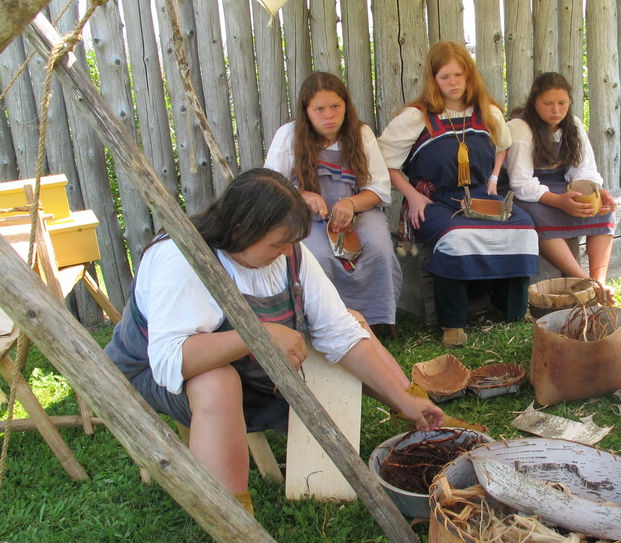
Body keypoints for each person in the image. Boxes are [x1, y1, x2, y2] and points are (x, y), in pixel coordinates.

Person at [104, 169, 444, 515]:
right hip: (160, 377)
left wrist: (401, 399)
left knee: (351, 322)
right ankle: (233, 516)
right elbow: (170, 360)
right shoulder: (180, 257)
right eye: (276, 243)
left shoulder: (290, 254)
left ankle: (412, 406)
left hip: (254, 375)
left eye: (289, 242)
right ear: (239, 231)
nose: (285, 253)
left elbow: (338, 331)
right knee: (216, 380)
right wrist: (258, 334)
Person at [378, 40, 539, 348]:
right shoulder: (417, 117)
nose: (453, 83)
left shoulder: (486, 112)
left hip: (481, 195)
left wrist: (493, 177)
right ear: (433, 79)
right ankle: (453, 321)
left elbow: (503, 145)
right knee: (456, 236)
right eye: (444, 76)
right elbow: (385, 163)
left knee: (524, 229)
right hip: (435, 200)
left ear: (469, 75)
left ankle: (511, 308)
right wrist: (412, 196)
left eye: (458, 75)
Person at [264, 72, 402, 335]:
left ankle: (377, 322)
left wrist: (351, 203)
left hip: (359, 211)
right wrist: (303, 196)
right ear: (306, 111)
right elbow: (271, 185)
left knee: (379, 250)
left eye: (335, 107)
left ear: (345, 106)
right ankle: (327, 324)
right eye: (319, 109)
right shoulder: (289, 136)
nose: (329, 115)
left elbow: (379, 190)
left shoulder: (360, 134)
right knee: (319, 257)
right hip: (305, 216)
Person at [497, 72, 618, 288]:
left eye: (562, 103)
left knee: (603, 208)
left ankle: (600, 281)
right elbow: (521, 182)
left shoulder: (573, 125)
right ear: (534, 102)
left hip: (559, 184)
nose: (556, 110)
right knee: (535, 216)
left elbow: (584, 169)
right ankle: (583, 282)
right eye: (548, 103)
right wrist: (559, 201)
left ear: (570, 101)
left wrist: (597, 191)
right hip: (521, 191)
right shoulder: (520, 128)